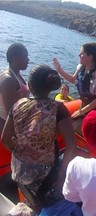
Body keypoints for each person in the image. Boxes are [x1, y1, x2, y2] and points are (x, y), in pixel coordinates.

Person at [1, 65, 80, 214]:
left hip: (19, 171)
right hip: (44, 175)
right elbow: (71, 147)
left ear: (30, 86)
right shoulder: (58, 108)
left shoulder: (18, 105)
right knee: (46, 205)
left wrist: (23, 155)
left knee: (32, 201)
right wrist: (61, 174)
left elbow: (5, 139)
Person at [0, 43, 30, 203]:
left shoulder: (16, 74)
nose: (28, 60)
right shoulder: (8, 79)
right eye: (25, 57)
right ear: (15, 58)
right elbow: (12, 112)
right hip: (6, 125)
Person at [53, 42, 96, 119]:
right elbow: (72, 79)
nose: (79, 55)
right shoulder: (81, 67)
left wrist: (81, 111)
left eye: (81, 53)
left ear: (90, 57)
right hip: (86, 103)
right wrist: (59, 70)